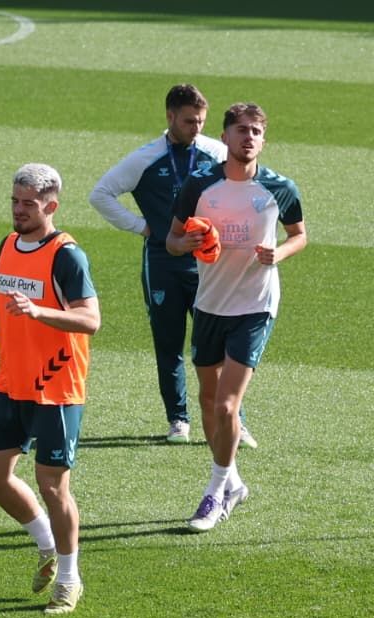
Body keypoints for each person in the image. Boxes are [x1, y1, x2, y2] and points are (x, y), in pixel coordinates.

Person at [0, 163, 101, 614]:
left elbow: (91, 319)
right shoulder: (10, 242)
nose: (19, 209)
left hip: (56, 388)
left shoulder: (67, 255)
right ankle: (47, 545)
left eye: (28, 203)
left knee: (53, 487)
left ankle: (69, 579)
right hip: (11, 383)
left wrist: (40, 311)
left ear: (51, 205)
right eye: (14, 200)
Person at [167, 103, 305, 532]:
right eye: (241, 130)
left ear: (264, 140)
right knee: (208, 401)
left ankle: (214, 494)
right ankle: (234, 481)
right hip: (210, 303)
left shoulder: (279, 188)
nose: (249, 137)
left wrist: (277, 253)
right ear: (224, 137)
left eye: (257, 131)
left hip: (255, 305)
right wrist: (187, 242)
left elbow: (299, 235)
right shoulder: (200, 185)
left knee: (227, 404)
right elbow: (171, 241)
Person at [89, 83, 251, 446]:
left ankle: (234, 418)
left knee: (220, 344)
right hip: (162, 262)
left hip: (210, 266)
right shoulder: (145, 158)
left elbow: (246, 187)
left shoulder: (215, 152)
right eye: (190, 121)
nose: (197, 128)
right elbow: (100, 194)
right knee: (168, 343)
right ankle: (178, 420)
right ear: (170, 117)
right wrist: (143, 228)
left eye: (202, 121)